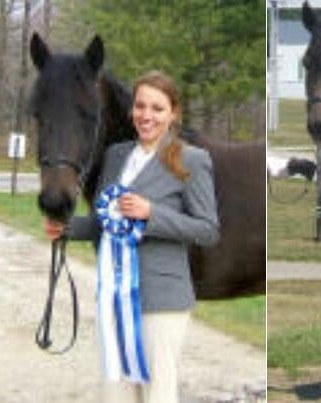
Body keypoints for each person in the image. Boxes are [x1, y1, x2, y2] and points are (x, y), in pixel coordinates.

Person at [43, 70, 219, 403]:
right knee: (115, 394)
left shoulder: (192, 159)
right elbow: (107, 221)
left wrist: (152, 213)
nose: (146, 116)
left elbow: (207, 229)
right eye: (140, 106)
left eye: (157, 108)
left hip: (162, 303)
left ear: (173, 113)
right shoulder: (116, 156)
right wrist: (67, 229)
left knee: (157, 395)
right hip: (114, 300)